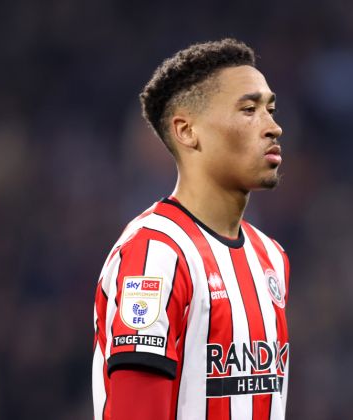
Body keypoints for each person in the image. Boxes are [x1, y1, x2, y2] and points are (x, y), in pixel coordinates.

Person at [92, 38, 290, 420]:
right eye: (249, 109)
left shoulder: (271, 257)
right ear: (187, 131)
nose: (273, 128)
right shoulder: (155, 255)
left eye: (271, 109)